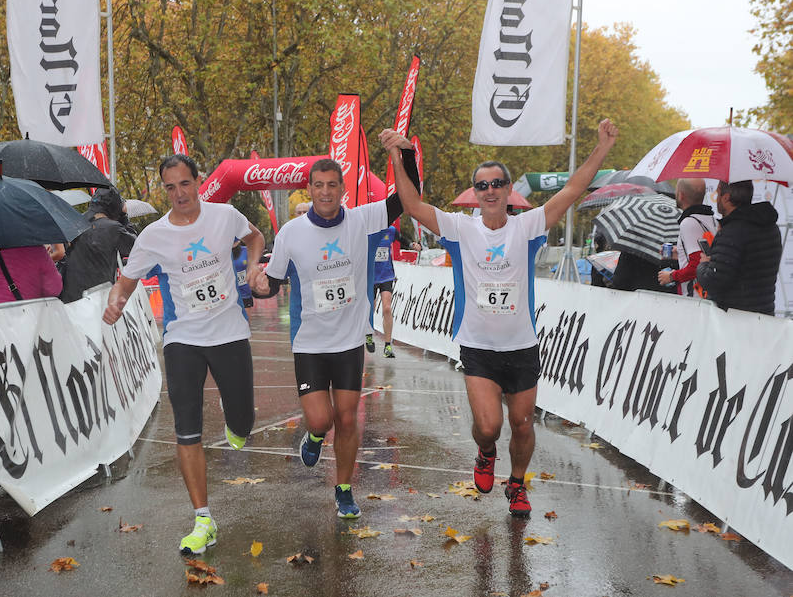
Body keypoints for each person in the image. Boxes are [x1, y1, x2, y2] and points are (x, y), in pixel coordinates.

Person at [382, 119, 618, 516]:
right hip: (479, 346)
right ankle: (486, 451)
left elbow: (573, 190)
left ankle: (518, 484)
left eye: (497, 184)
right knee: (489, 426)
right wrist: (396, 155)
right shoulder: (460, 228)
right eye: (482, 185)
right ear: (476, 193)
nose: (490, 191)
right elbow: (412, 206)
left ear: (509, 190)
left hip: (521, 346)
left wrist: (603, 148)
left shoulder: (528, 226)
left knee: (523, 424)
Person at [102, 154, 265, 556]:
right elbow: (125, 282)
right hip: (183, 339)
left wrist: (254, 269)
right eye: (171, 187)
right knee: (186, 428)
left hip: (229, 333)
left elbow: (255, 237)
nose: (179, 194)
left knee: (243, 423)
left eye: (185, 184)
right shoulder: (154, 235)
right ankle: (203, 520)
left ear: (198, 182)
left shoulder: (224, 216)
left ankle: (236, 422)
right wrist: (115, 301)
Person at [252, 156, 419, 519]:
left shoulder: (361, 220)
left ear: (343, 190)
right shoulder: (291, 234)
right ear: (309, 189)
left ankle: (344, 488)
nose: (326, 191)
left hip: (348, 342)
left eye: (332, 185)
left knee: (346, 419)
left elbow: (408, 198)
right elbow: (274, 282)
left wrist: (403, 155)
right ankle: (313, 437)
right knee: (320, 420)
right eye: (318, 185)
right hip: (310, 342)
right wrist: (259, 287)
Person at [696, 180, 782, 315]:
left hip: (735, 318)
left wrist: (703, 264)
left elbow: (713, 280)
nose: (716, 198)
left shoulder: (732, 232)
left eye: (718, 194)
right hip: (764, 315)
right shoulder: (771, 227)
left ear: (726, 198)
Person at [60, 186, 137, 303]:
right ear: (116, 206)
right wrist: (124, 217)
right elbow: (136, 247)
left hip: (70, 299)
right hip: (96, 300)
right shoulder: (112, 228)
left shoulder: (75, 223)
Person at [365, 226, 420, 357]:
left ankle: (387, 345)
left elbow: (402, 240)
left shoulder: (391, 230)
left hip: (386, 275)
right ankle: (368, 335)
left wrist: (412, 245)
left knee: (387, 308)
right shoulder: (367, 230)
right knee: (370, 307)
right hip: (370, 276)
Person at [657, 179, 718, 296]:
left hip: (695, 295)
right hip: (708, 292)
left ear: (681, 195)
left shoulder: (689, 222)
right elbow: (706, 254)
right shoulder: (712, 218)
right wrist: (680, 252)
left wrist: (671, 276)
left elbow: (696, 265)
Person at [232, 240, 254, 308]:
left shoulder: (246, 251)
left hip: (245, 292)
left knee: (246, 318)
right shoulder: (222, 252)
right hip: (230, 294)